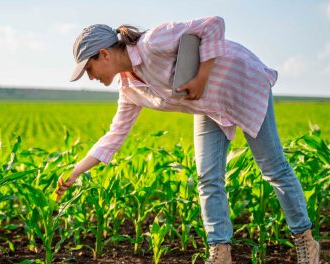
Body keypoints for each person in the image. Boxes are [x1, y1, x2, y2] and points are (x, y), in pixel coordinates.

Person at [56, 16, 320, 264]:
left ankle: (305, 241)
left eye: (89, 69)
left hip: (240, 83)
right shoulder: (130, 90)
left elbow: (213, 24)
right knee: (207, 177)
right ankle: (220, 252)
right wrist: (76, 171)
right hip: (210, 106)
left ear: (104, 54)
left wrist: (202, 76)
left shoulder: (153, 42)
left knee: (273, 168)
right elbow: (114, 135)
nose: (90, 77)